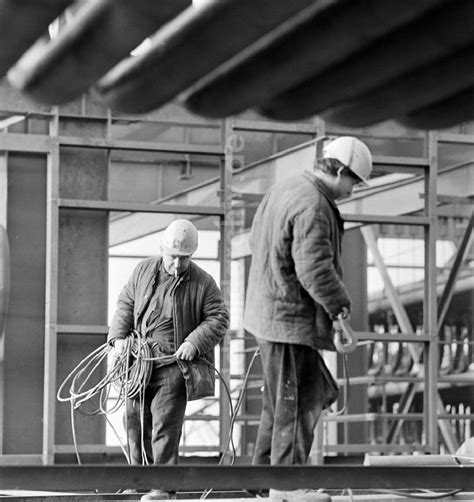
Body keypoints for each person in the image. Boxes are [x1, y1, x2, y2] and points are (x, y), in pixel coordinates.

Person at [244, 136, 372, 501]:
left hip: (271, 315)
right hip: (287, 321)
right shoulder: (314, 205)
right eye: (354, 181)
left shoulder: (285, 187)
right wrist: (340, 310)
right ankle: (285, 485)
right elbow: (315, 270)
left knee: (282, 401)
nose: (353, 189)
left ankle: (264, 481)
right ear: (341, 171)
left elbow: (258, 242)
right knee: (300, 401)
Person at [108, 219, 229, 501]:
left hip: (174, 367)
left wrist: (193, 342)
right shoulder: (143, 270)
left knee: (164, 426)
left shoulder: (203, 282)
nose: (176, 265)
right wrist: (117, 339)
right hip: (139, 362)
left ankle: (162, 488)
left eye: (183, 258)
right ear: (162, 249)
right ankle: (137, 483)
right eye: (173, 257)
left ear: (192, 255)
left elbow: (219, 318)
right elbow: (125, 303)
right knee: (135, 423)